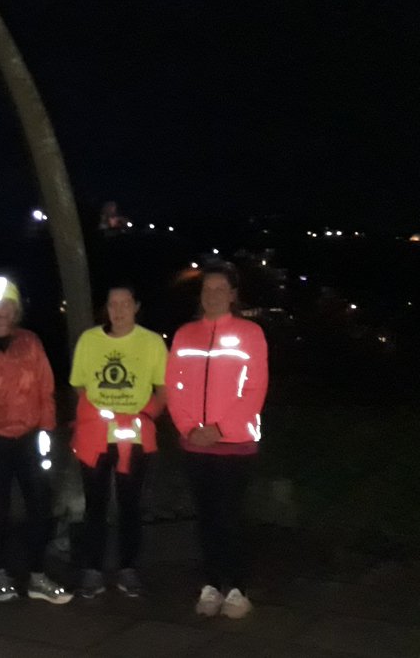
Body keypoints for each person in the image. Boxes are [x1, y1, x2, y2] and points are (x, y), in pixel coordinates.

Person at [166, 262, 268, 619]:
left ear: (233, 295)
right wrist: (189, 427)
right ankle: (211, 584)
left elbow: (255, 388)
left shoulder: (250, 333)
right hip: (194, 444)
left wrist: (219, 429)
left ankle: (237, 587)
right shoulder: (184, 334)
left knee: (231, 516)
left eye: (220, 289)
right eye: (207, 289)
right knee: (206, 517)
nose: (212, 295)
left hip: (236, 444)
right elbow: (174, 387)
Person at [0, 277, 70, 604]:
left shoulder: (31, 342)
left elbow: (46, 389)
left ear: (16, 308)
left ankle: (38, 574)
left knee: (40, 506)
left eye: (8, 302)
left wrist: (47, 430)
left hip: (29, 438)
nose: (2, 309)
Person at [70, 285, 168, 599]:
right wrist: (99, 414)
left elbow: (163, 390)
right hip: (96, 438)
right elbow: (79, 386)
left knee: (130, 505)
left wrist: (145, 415)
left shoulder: (152, 342)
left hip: (135, 438)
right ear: (106, 309)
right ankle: (92, 569)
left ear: (136, 306)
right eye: (113, 304)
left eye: (125, 303)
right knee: (94, 505)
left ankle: (128, 567)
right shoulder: (89, 340)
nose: (119, 310)